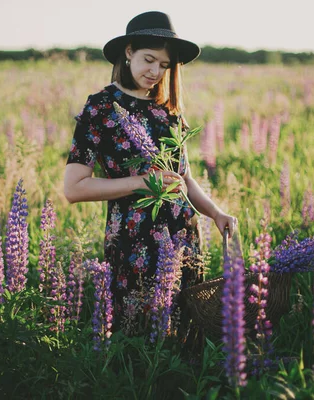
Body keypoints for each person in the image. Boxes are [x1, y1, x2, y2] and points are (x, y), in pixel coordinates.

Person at [63, 11, 237, 336]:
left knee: (185, 334)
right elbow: (74, 188)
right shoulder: (99, 108)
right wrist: (142, 183)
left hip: (183, 240)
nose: (156, 71)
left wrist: (215, 212)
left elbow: (182, 178)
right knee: (137, 337)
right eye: (148, 59)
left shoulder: (168, 109)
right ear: (128, 51)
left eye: (164, 65)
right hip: (133, 244)